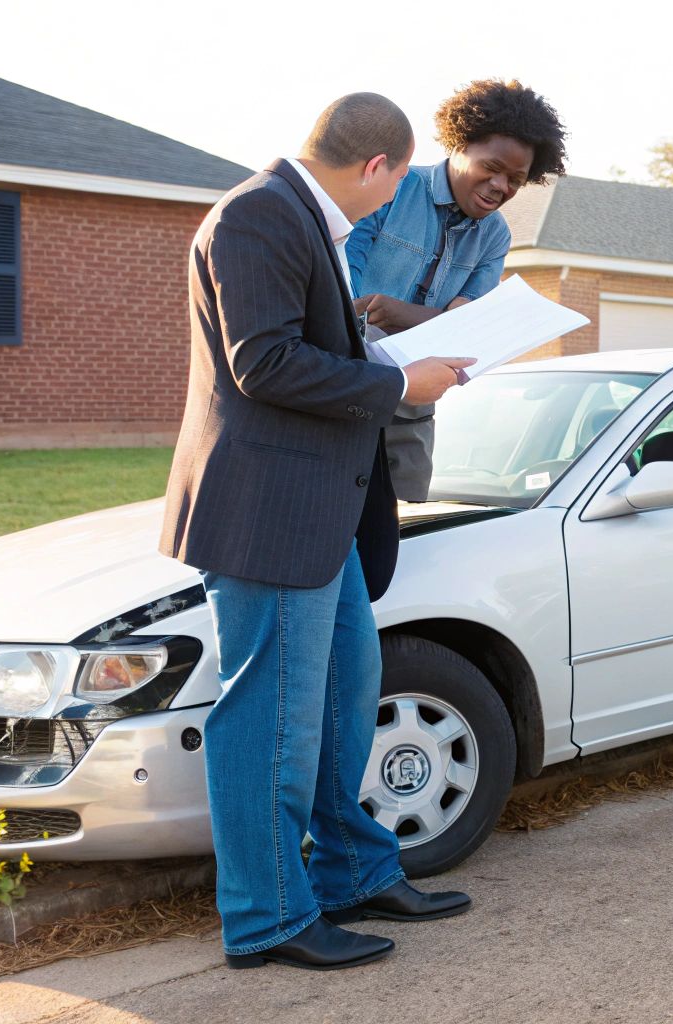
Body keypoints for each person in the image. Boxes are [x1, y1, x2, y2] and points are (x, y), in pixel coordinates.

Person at [160, 93, 477, 971]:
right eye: (394, 184)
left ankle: (351, 871)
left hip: (322, 510)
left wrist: (392, 364)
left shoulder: (301, 218)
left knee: (340, 702)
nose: (392, 203)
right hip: (270, 514)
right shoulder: (258, 217)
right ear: (375, 166)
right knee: (271, 723)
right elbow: (261, 363)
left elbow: (309, 349)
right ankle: (266, 919)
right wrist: (398, 387)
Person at [347, 78, 568, 500]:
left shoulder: (495, 236)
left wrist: (398, 312)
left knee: (399, 531)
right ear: (459, 144)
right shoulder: (392, 191)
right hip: (355, 391)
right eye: (492, 168)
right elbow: (349, 299)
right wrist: (438, 320)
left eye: (515, 180)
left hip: (415, 410)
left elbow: (470, 331)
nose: (501, 187)